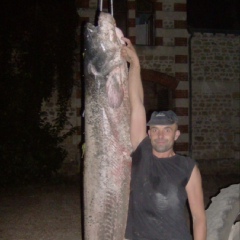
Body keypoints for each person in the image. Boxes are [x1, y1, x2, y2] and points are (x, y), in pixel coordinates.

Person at [121, 37, 207, 240]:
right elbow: (137, 105)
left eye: (167, 130)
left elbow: (198, 217)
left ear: (176, 134)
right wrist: (135, 65)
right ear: (149, 134)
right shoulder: (141, 155)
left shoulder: (187, 167)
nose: (160, 135)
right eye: (156, 130)